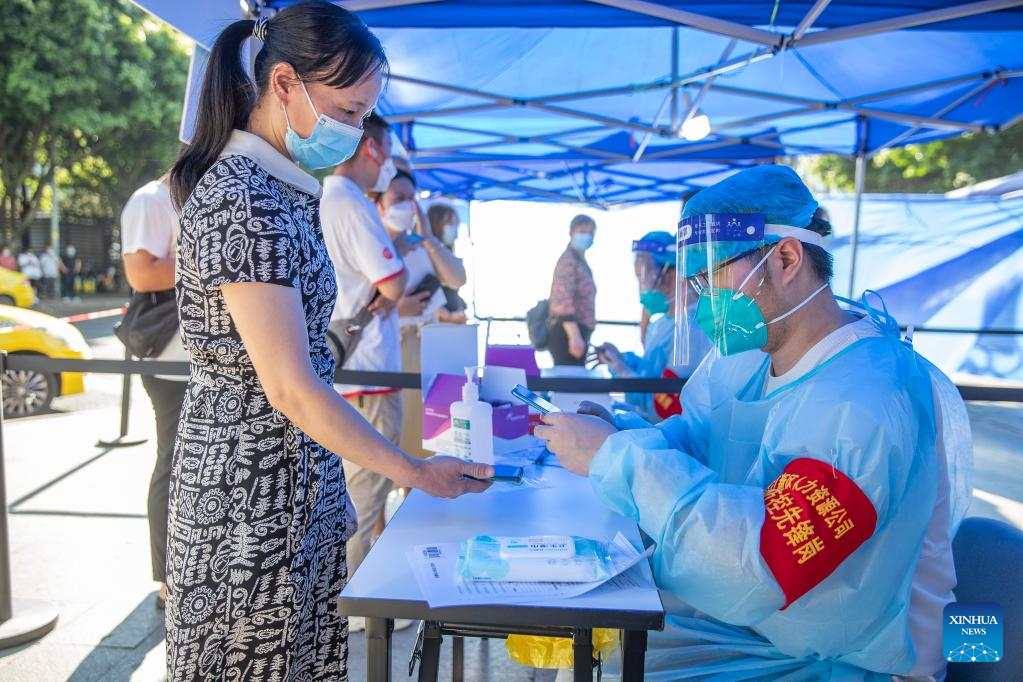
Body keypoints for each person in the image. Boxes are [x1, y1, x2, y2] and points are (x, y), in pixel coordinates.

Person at [535, 165, 972, 680]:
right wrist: (621, 434)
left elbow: (767, 561)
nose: (702, 300)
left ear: (785, 258)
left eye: (712, 275)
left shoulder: (867, 400)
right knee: (592, 653)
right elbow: (697, 437)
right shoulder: (751, 360)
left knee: (601, 666)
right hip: (775, 630)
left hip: (863, 660)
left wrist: (617, 460)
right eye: (695, 282)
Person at [166, 4, 491, 679]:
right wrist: (413, 472)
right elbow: (289, 384)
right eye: (347, 111)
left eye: (364, 115)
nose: (356, 132)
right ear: (284, 83)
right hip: (248, 496)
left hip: (290, 481)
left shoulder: (280, 188)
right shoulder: (242, 198)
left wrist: (328, 485)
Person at [120, 176, 190, 610]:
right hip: (169, 357)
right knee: (173, 462)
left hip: (198, 357)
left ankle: (183, 572)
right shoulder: (151, 200)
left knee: (188, 465)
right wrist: (212, 254)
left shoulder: (188, 196)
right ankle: (167, 578)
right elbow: (142, 273)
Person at [374, 169, 467, 461]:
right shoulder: (371, 245)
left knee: (428, 436)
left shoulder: (422, 245)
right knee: (397, 435)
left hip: (432, 347)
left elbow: (457, 278)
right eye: (398, 197)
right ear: (379, 202)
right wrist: (398, 309)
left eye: (410, 198)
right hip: (393, 347)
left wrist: (428, 239)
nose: (405, 204)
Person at [592, 231, 710, 422]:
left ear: (672, 274)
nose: (643, 286)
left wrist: (624, 372)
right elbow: (651, 371)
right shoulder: (661, 324)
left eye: (644, 276)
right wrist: (623, 360)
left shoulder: (691, 329)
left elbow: (667, 406)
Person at [547, 214, 598, 365]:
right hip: (568, 334)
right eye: (582, 231)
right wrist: (574, 337)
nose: (587, 236)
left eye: (590, 232)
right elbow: (562, 300)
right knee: (568, 376)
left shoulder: (579, 260)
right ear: (571, 233)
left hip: (579, 332)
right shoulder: (568, 260)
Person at [427, 202, 468, 323]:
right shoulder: (425, 253)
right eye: (450, 223)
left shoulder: (447, 253)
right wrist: (448, 316)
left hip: (452, 320)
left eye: (456, 224)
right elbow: (425, 296)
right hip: (438, 324)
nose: (454, 228)